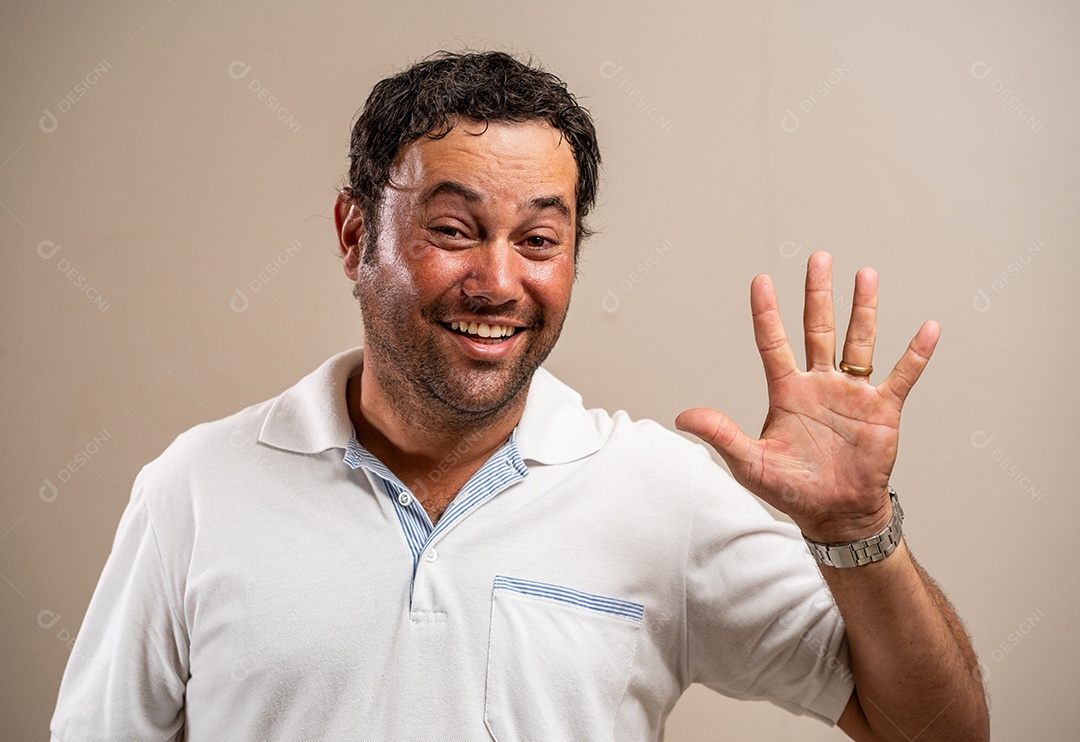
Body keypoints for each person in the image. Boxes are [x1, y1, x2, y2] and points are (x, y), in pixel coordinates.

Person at [50, 50, 989, 741]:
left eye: (539, 241)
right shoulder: (196, 489)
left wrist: (855, 528)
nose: (499, 282)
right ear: (352, 234)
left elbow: (935, 733)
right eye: (454, 228)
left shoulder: (659, 493)